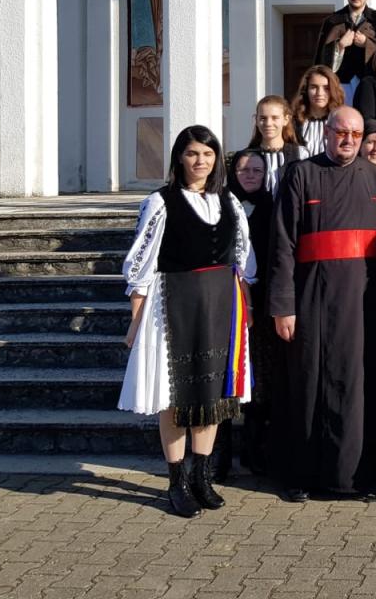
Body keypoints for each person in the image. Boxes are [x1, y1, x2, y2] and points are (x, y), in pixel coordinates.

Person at [119, 125, 256, 518]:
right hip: (174, 304)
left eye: (208, 154)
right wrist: (135, 321)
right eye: (193, 153)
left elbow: (242, 259)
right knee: (175, 397)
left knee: (213, 395)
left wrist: (245, 307)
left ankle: (202, 477)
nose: (201, 161)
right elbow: (142, 265)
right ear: (180, 157)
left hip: (221, 303)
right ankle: (177, 482)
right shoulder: (160, 203)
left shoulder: (228, 200)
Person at [269, 107, 376, 500]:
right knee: (308, 382)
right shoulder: (300, 174)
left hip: (361, 303)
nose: (348, 140)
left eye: (356, 134)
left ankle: (350, 477)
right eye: (341, 132)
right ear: (326, 133)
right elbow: (282, 244)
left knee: (356, 385)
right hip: (310, 299)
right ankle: (300, 475)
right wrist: (283, 305)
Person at [229, 149, 283, 479]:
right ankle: (219, 454)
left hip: (261, 302)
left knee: (260, 378)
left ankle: (255, 449)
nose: (250, 175)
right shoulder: (220, 205)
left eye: (257, 170)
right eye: (244, 169)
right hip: (226, 299)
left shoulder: (272, 207)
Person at [315, 0, 376, 98]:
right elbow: (321, 57)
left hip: (371, 83)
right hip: (340, 83)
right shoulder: (333, 21)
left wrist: (367, 44)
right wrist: (340, 46)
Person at [246, 95, 302, 197]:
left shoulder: (301, 154)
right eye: (263, 118)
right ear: (256, 120)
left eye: (275, 118)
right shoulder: (245, 157)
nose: (268, 123)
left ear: (286, 119)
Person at [291, 64, 345, 159]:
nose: (319, 93)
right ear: (306, 90)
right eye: (314, 87)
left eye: (326, 88)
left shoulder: (341, 121)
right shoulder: (294, 122)